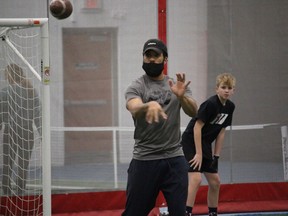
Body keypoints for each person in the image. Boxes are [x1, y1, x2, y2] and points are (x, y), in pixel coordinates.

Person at [122, 38, 198, 216]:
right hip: (145, 159)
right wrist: (147, 106)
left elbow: (194, 111)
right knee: (134, 212)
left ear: (165, 59)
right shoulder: (137, 86)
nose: (151, 60)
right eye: (147, 56)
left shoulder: (176, 85)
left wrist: (181, 97)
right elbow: (132, 105)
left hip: (174, 159)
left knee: (179, 213)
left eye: (156, 56)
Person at [181, 73, 236, 216]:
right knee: (196, 179)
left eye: (229, 88)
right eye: (223, 87)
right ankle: (186, 212)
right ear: (216, 89)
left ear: (233, 90)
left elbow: (221, 132)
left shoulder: (230, 107)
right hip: (191, 140)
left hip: (204, 143)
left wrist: (216, 156)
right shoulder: (210, 104)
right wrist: (198, 153)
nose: (226, 90)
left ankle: (213, 213)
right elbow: (197, 127)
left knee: (215, 181)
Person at [0, 63, 41, 195]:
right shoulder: (31, 91)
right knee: (23, 164)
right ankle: (20, 190)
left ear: (10, 75)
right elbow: (37, 114)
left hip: (10, 132)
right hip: (27, 131)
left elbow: (0, 114)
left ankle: (6, 189)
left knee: (8, 163)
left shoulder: (4, 92)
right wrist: (41, 133)